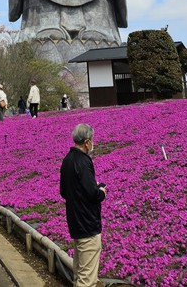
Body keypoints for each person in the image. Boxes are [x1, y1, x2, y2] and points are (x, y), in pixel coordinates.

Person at [59, 123, 107, 287]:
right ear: (87, 142)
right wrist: (101, 191)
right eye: (92, 140)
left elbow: (64, 192)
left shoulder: (67, 159)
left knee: (79, 273)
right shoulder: (84, 162)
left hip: (76, 223)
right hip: (88, 225)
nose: (93, 143)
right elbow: (92, 194)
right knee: (87, 279)